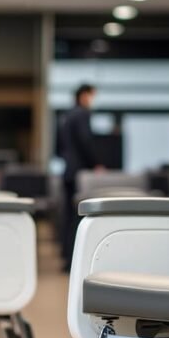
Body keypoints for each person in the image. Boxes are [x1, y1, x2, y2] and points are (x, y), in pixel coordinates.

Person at [58, 83, 103, 270]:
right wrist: (96, 164)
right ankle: (74, 262)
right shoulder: (82, 114)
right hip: (80, 174)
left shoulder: (66, 116)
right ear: (84, 96)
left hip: (68, 170)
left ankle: (68, 259)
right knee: (79, 216)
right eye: (92, 96)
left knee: (69, 216)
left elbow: (59, 147)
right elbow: (86, 141)